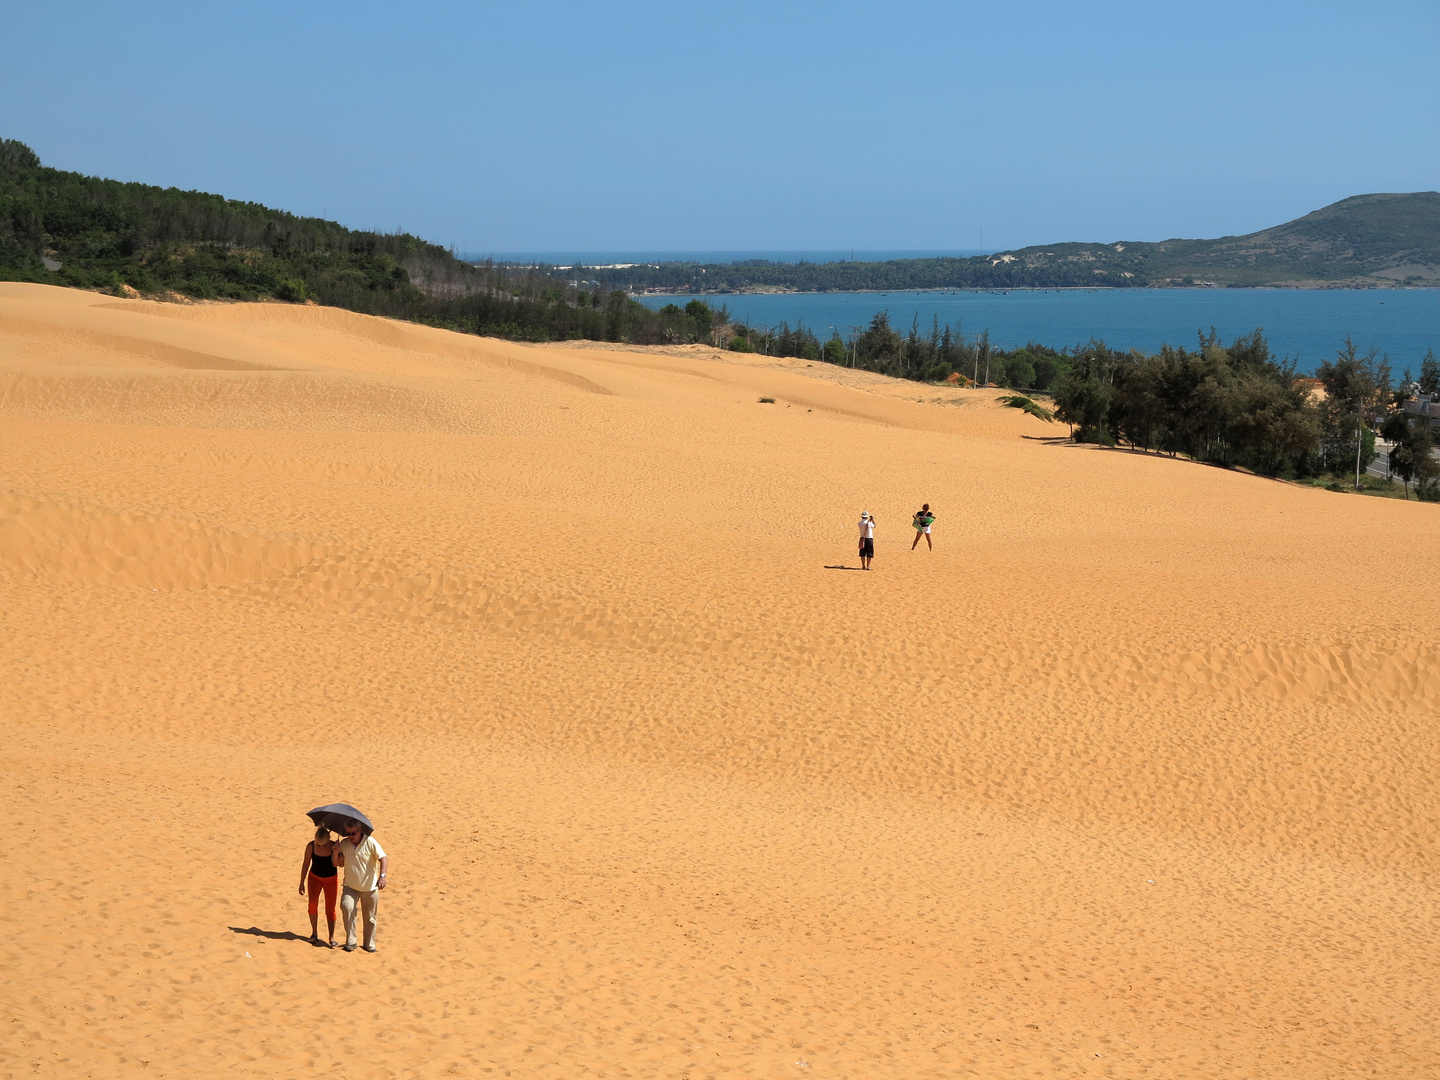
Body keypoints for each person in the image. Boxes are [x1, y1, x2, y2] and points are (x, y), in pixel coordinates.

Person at [335, 822, 387, 953]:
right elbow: (336, 863)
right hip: (350, 887)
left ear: (360, 830)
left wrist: (382, 877)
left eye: (353, 833)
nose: (351, 836)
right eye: (348, 833)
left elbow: (383, 858)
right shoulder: (344, 844)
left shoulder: (370, 842)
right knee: (347, 907)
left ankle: (369, 944)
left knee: (370, 918)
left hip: (370, 888)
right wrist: (336, 852)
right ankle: (351, 942)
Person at [298, 825, 339, 946]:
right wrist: (301, 883)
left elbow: (337, 864)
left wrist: (336, 851)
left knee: (330, 909)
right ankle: (314, 933)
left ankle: (331, 937)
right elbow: (306, 864)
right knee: (312, 904)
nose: (321, 847)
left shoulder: (333, 846)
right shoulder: (311, 846)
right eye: (319, 844)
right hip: (314, 878)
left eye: (324, 845)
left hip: (331, 879)